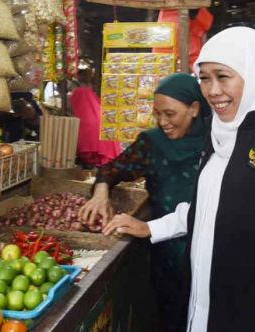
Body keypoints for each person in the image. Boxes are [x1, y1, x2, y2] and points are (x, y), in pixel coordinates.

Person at [104, 27, 255, 332]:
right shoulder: (220, 131)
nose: (212, 90)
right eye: (204, 78)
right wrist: (151, 227)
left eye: (223, 76)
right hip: (209, 306)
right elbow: (211, 206)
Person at [79, 73, 210, 332]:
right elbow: (112, 169)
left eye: (170, 114)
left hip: (207, 252)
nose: (163, 122)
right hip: (166, 254)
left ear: (194, 109)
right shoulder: (152, 143)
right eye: (157, 114)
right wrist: (101, 193)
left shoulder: (217, 142)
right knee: (170, 317)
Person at [69, 64, 120, 167]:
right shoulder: (99, 111)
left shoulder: (84, 122)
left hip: (95, 160)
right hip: (110, 159)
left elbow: (80, 149)